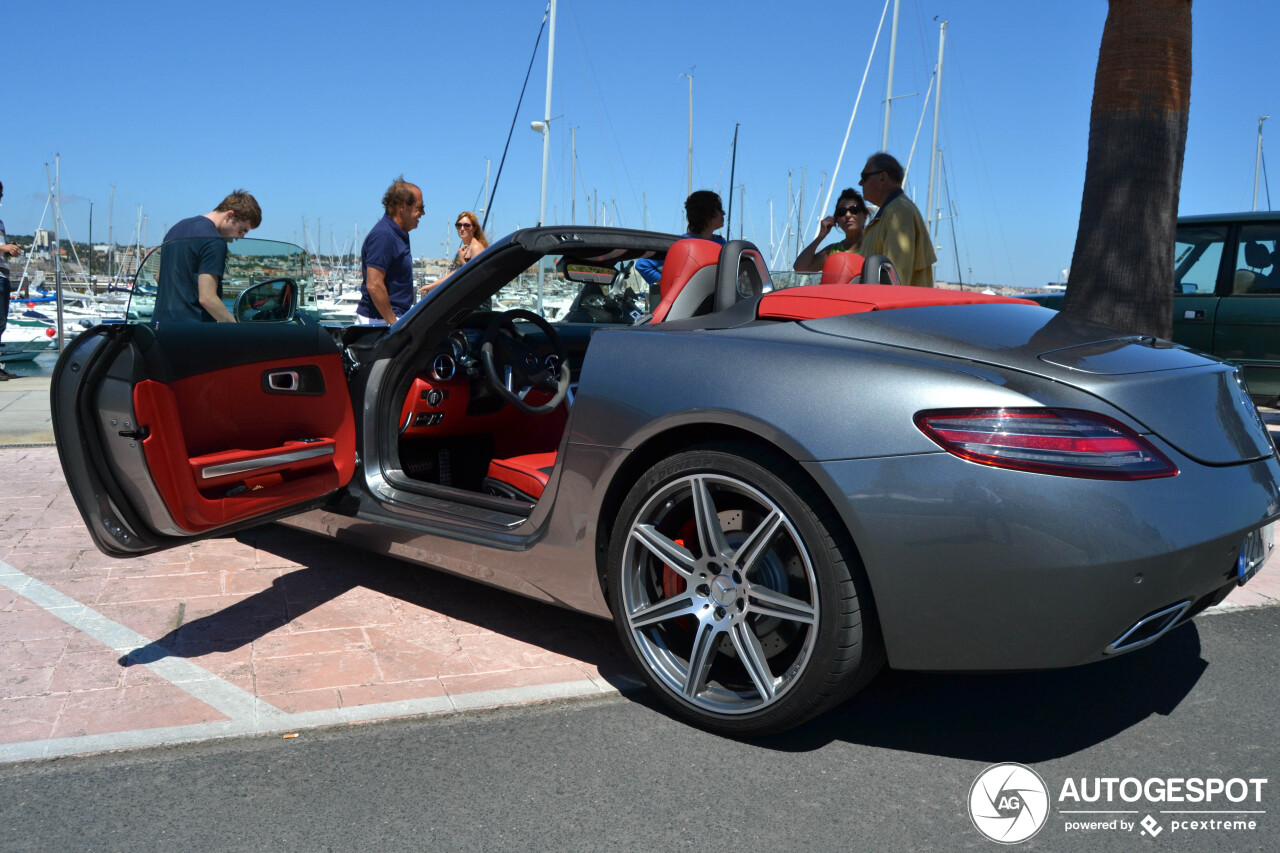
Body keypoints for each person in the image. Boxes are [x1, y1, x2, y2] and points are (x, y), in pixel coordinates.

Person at [153, 190, 263, 323]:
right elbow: (207, 298)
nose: (241, 237)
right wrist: (235, 327)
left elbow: (159, 277)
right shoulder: (214, 241)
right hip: (193, 332)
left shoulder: (176, 229)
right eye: (242, 230)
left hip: (160, 327)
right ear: (229, 216)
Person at [857, 153, 936, 287]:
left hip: (892, 307)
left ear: (882, 178)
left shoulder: (898, 212)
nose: (860, 183)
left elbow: (895, 277)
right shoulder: (890, 212)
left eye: (864, 177)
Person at [358, 177, 424, 324]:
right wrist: (394, 325)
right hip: (380, 321)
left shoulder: (397, 233)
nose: (423, 213)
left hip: (388, 319)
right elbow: (374, 284)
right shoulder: (384, 235)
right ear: (402, 207)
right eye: (419, 208)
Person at [635, 190, 727, 289]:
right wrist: (674, 287)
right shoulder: (680, 245)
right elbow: (642, 265)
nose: (724, 213)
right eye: (719, 209)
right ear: (706, 213)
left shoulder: (722, 243)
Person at [792, 188, 868, 272]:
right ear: (837, 221)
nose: (847, 215)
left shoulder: (874, 244)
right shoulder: (832, 250)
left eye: (854, 210)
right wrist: (821, 236)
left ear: (865, 216)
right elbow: (800, 267)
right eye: (841, 212)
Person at [421, 210, 487, 295]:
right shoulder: (465, 248)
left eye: (466, 225)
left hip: (478, 299)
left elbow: (476, 275)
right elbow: (455, 273)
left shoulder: (475, 247)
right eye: (459, 225)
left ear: (474, 228)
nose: (462, 229)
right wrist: (432, 286)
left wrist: (462, 260)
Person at [0, 179, 21, 380]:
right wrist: (4, 248)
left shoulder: (1, 222)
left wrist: (10, 251)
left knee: (1, 323)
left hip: (3, 275)